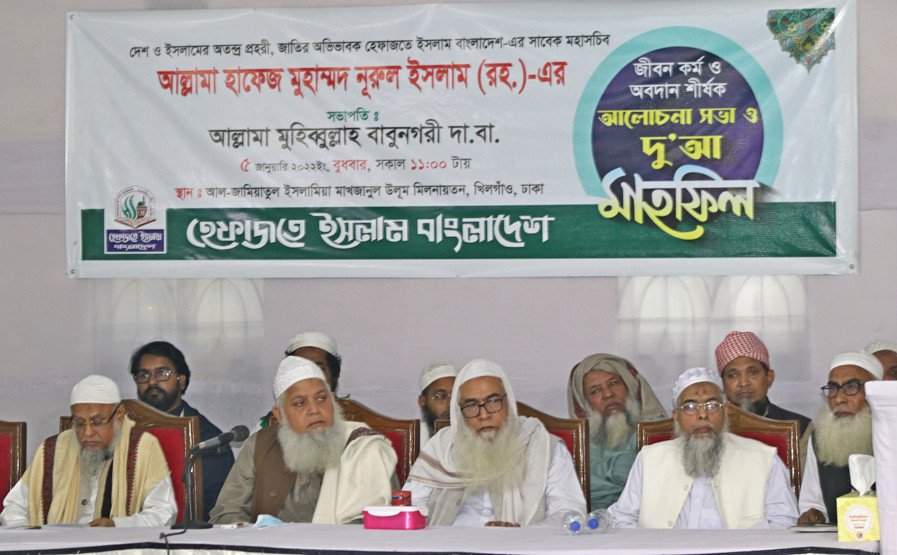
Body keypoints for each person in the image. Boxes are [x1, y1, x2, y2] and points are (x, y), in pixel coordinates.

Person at [209, 356, 396, 524]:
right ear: (279, 414)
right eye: (300, 403)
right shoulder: (259, 445)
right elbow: (226, 513)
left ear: (333, 401)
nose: (314, 410)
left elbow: (383, 521)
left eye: (321, 399)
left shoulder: (364, 448)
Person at [609, 367, 798, 529]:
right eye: (690, 406)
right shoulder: (650, 459)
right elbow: (622, 518)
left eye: (712, 405)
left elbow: (784, 522)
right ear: (676, 416)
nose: (702, 415)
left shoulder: (763, 459)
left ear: (725, 411)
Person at [404, 359, 586, 527]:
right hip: (449, 544)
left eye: (493, 401)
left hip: (520, 545)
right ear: (459, 412)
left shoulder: (542, 446)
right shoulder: (441, 448)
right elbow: (410, 506)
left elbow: (568, 513)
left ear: (509, 402)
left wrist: (522, 534)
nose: (484, 415)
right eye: (471, 405)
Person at [0, 375, 177, 527]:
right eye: (79, 423)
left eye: (97, 422)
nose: (87, 432)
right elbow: (14, 507)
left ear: (119, 415)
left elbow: (163, 513)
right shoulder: (53, 449)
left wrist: (117, 525)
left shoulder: (142, 447)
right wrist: (29, 539)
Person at [129, 340, 234, 521]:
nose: (152, 381)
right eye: (143, 374)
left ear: (182, 381)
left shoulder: (208, 439)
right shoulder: (124, 430)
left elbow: (214, 507)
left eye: (162, 373)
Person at [566, 353, 666, 510]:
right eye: (595, 391)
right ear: (585, 403)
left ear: (629, 387)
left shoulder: (655, 431)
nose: (608, 394)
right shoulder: (576, 444)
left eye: (613, 383)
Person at [797, 351, 881, 525]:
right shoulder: (820, 439)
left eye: (851, 387)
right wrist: (815, 513)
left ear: (874, 392)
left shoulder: (891, 437)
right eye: (833, 389)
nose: (839, 399)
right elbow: (813, 501)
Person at [714, 331, 813, 469]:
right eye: (733, 375)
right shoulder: (711, 428)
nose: (743, 383)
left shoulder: (800, 428)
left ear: (769, 378)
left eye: (752, 372)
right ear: (723, 385)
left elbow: (806, 482)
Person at [418, 361, 458, 446]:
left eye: (455, 395)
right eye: (440, 396)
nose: (450, 404)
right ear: (422, 401)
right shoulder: (415, 439)